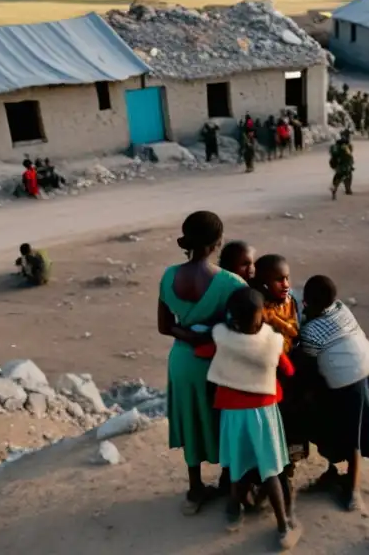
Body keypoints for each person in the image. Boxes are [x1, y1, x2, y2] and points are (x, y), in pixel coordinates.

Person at [194, 288, 302, 548]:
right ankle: (283, 527)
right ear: (261, 318)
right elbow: (288, 370)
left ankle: (233, 512)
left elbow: (201, 352)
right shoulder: (270, 343)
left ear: (232, 318)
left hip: (233, 414)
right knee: (271, 470)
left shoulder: (223, 341)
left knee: (237, 465)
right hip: (264, 413)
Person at [157, 211, 248, 515]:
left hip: (181, 360)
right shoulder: (230, 283)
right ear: (217, 243)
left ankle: (195, 489)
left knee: (190, 419)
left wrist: (189, 336)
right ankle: (226, 479)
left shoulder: (169, 276)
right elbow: (241, 329)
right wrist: (207, 337)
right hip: (216, 361)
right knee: (222, 419)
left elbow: (163, 326)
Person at [300, 276, 369, 512]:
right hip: (363, 377)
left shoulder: (311, 331)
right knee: (350, 432)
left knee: (349, 435)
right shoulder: (342, 309)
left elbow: (310, 366)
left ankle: (353, 489)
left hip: (346, 386)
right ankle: (335, 474)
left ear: (307, 302)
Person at [252, 255, 307, 474]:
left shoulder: (289, 301)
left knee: (291, 413)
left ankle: (290, 461)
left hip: (287, 364)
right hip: (266, 369)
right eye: (278, 280)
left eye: (286, 278)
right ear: (264, 282)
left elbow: (294, 330)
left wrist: (275, 320)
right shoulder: (257, 305)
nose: (285, 284)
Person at [329, 130, 355, 201]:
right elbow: (349, 156)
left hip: (336, 163)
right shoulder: (346, 145)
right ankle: (347, 189)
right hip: (344, 164)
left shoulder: (335, 146)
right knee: (347, 175)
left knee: (338, 176)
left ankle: (335, 188)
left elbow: (332, 155)